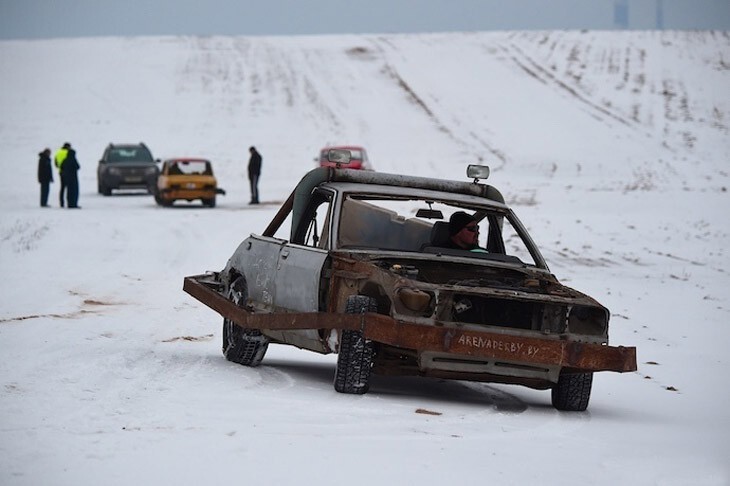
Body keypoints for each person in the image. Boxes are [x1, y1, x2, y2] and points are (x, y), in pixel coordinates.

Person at [54, 142, 70, 207]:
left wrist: (60, 167)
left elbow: (56, 163)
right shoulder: (68, 153)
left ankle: (61, 203)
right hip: (68, 172)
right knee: (69, 188)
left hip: (61, 172)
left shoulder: (58, 152)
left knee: (62, 188)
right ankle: (69, 201)